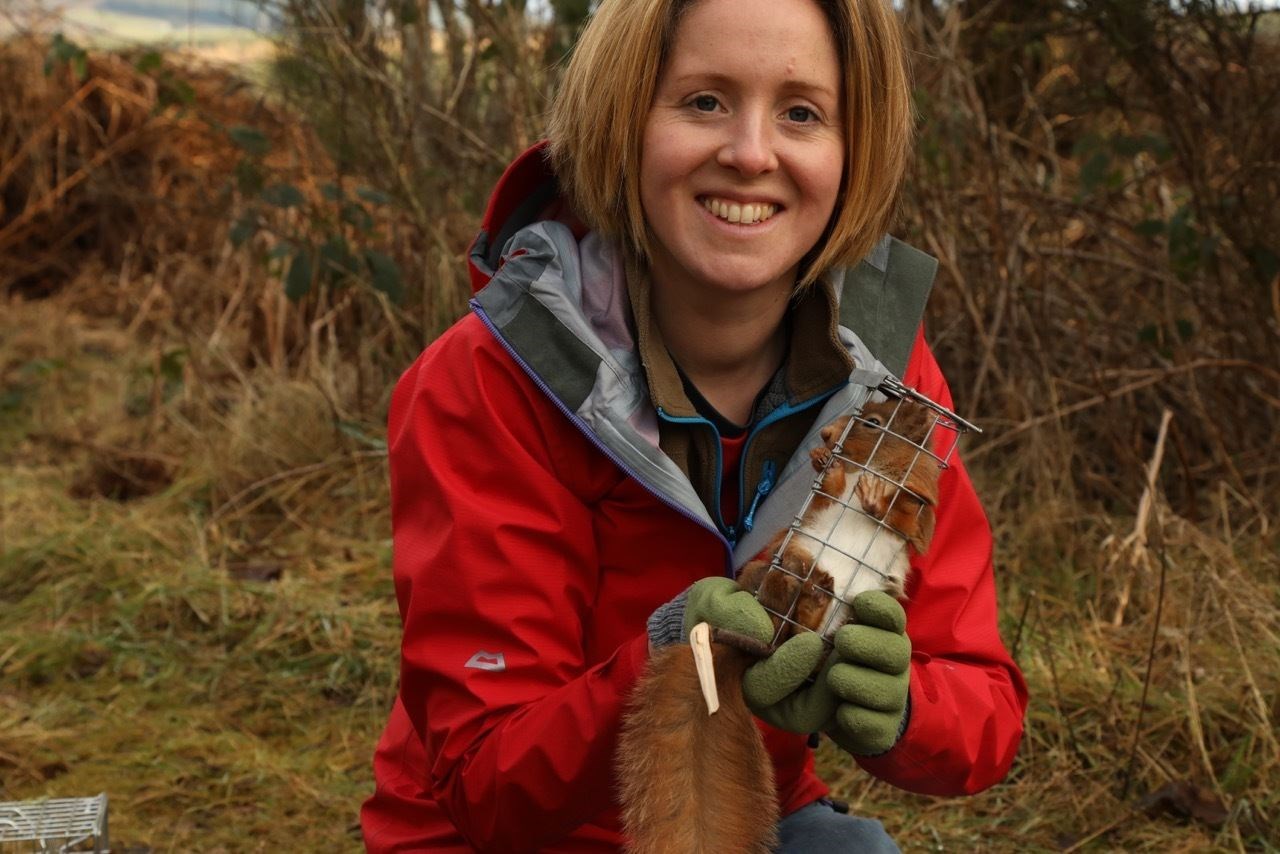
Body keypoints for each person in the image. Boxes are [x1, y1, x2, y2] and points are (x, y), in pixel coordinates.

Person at [361, 0, 1028, 850]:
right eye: (704, 101)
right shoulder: (489, 379)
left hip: (749, 813)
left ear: (852, 149)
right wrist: (671, 654)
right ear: (624, 118)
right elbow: (482, 779)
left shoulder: (888, 381)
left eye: (802, 113)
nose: (751, 154)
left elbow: (986, 714)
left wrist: (902, 708)